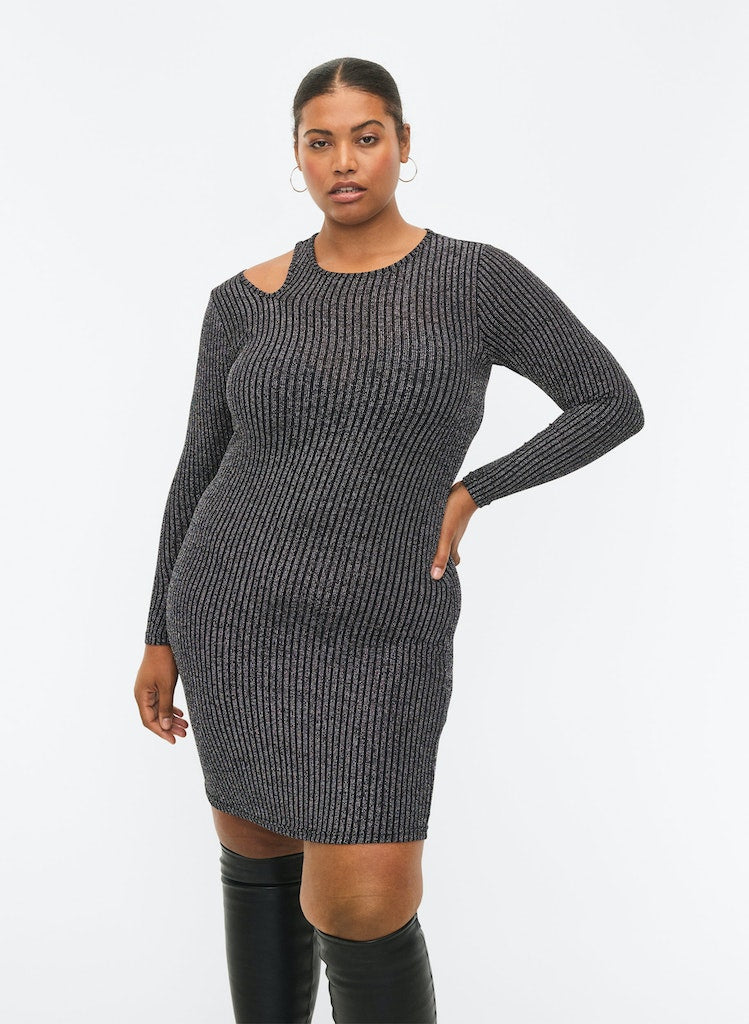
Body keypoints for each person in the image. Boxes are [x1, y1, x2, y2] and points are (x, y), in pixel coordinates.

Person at [133, 56, 645, 1024]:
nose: (343, 161)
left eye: (365, 137)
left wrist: (473, 490)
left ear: (402, 145)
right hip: (232, 615)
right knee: (259, 861)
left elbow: (607, 401)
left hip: (383, 633)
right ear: (295, 156)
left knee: (363, 902)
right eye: (319, 141)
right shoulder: (244, 299)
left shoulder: (473, 279)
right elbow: (197, 468)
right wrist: (159, 631)